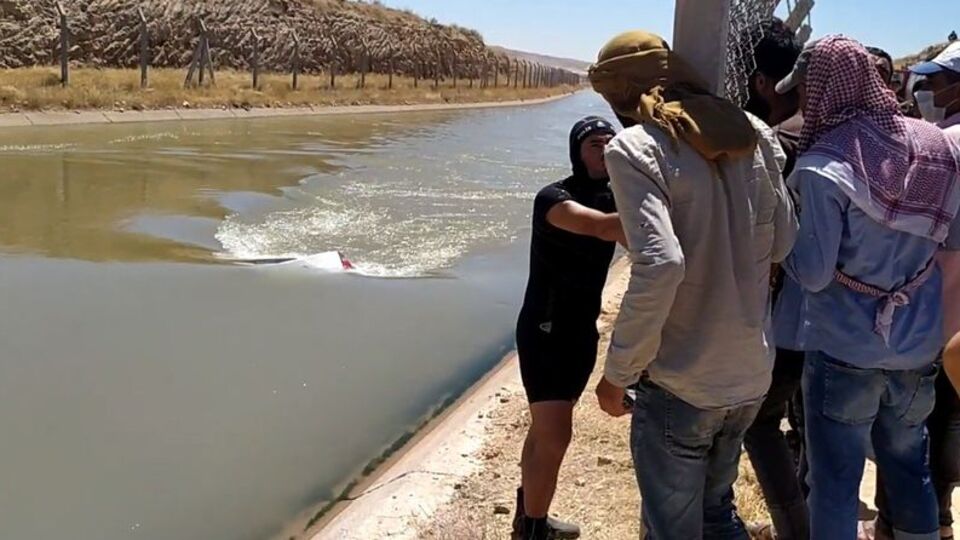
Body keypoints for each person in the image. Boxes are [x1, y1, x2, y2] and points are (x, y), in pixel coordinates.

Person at [589, 30, 798, 538]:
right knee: (717, 513)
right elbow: (785, 240)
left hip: (682, 382)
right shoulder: (754, 131)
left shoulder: (635, 148)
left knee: (673, 527)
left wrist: (618, 373)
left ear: (619, 91)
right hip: (750, 373)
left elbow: (660, 265)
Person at [773, 36, 960, 539]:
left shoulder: (823, 166)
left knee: (835, 480)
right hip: (918, 345)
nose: (803, 100)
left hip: (843, 347)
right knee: (908, 467)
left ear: (822, 86)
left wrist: (777, 239)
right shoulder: (938, 147)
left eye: (807, 88)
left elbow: (812, 271)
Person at [512, 115, 625, 540]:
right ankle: (536, 530)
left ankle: (529, 515)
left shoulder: (617, 195)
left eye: (611, 143)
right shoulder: (553, 199)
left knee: (545, 432)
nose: (604, 151)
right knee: (556, 435)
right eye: (595, 144)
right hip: (545, 331)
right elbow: (598, 227)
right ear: (577, 151)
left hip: (581, 332)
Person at [875, 43, 960, 540]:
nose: (927, 90)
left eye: (937, 81)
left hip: (933, 294)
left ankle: (899, 521)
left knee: (908, 422)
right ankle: (942, 514)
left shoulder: (938, 142)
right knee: (950, 414)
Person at [740, 18, 809, 540]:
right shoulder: (836, 130)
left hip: (780, 312)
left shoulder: (771, 143)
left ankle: (795, 528)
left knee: (760, 423)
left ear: (762, 82)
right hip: (843, 314)